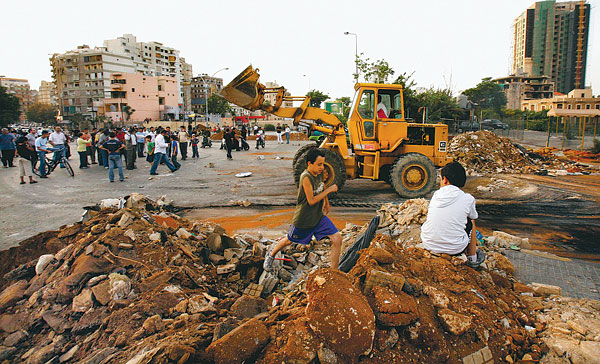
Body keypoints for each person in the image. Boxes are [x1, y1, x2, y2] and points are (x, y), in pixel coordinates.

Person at [263, 148, 342, 271]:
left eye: (323, 164)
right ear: (309, 164)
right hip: (304, 218)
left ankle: (334, 271)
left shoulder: (320, 173)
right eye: (319, 164)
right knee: (289, 240)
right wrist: (329, 191)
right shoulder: (305, 177)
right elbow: (311, 201)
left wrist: (326, 201)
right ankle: (271, 255)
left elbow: (322, 185)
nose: (322, 167)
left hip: (318, 216)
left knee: (337, 238)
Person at [420, 162, 486, 268]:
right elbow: (473, 217)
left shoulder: (436, 195)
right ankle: (472, 258)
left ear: (444, 179)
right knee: (472, 222)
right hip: (455, 248)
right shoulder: (468, 199)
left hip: (429, 244)